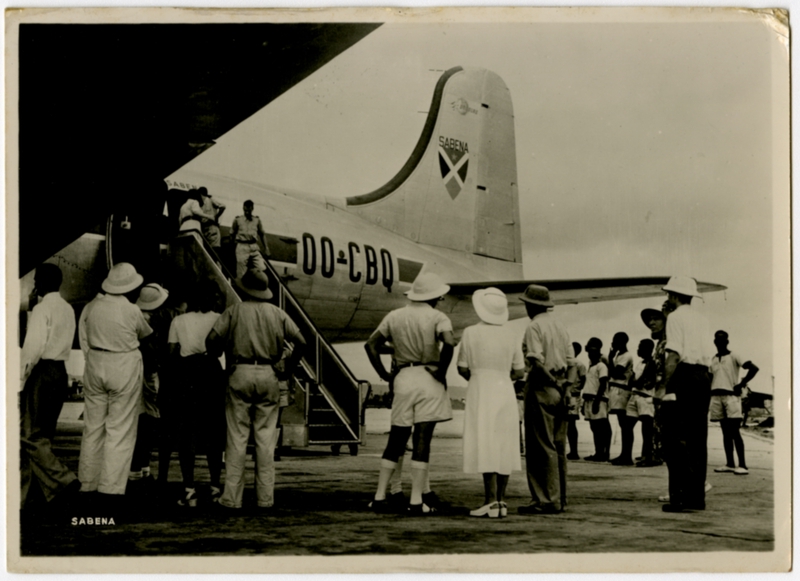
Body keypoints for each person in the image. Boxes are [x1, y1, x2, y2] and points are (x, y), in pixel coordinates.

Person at [206, 267, 306, 510]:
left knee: (237, 438)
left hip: (239, 372)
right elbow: (302, 342)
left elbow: (211, 340)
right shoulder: (277, 313)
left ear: (244, 289)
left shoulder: (234, 311)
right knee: (265, 439)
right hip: (268, 374)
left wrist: (219, 355)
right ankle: (265, 498)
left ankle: (231, 498)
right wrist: (286, 368)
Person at [364, 272, 454, 515]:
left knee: (396, 439)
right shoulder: (438, 316)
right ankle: (417, 500)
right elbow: (449, 343)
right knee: (422, 440)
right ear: (435, 297)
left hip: (403, 377)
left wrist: (385, 375)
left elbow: (370, 345)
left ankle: (380, 496)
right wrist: (442, 372)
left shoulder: (394, 316)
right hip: (429, 376)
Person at [78, 263, 151, 505]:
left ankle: (87, 484)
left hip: (95, 363)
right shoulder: (131, 310)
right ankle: (110, 490)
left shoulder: (92, 307)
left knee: (93, 427)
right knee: (119, 429)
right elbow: (146, 335)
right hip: (123, 365)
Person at [457, 288, 525, 518]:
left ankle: (489, 501)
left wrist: (478, 376)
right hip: (504, 388)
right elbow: (519, 371)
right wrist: (501, 377)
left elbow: (462, 367)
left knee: (486, 441)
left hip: (480, 388)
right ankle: (501, 501)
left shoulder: (470, 332)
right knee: (504, 443)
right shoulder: (512, 333)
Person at [20, 263, 80, 510]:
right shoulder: (67, 309)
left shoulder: (42, 309)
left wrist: (21, 379)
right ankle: (31, 494)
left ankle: (63, 479)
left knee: (30, 435)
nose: (34, 285)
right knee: (45, 434)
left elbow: (33, 348)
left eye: (36, 280)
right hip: (60, 371)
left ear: (43, 283)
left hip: (42, 371)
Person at [166, 281, 225, 506]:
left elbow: (171, 353)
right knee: (213, 433)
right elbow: (222, 349)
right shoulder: (219, 318)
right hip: (211, 371)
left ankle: (189, 489)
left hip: (187, 373)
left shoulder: (178, 320)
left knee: (187, 433)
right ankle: (214, 487)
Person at [518, 284, 574, 515]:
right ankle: (560, 497)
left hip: (543, 387)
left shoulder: (534, 326)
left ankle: (546, 499)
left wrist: (552, 382)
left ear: (531, 305)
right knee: (559, 445)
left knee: (541, 446)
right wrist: (566, 388)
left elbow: (537, 363)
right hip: (562, 389)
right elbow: (572, 362)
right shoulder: (560, 326)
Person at [659, 276, 712, 512]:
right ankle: (696, 498)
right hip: (703, 378)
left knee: (674, 439)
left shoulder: (675, 318)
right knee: (697, 439)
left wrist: (666, 386)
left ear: (673, 296)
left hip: (684, 376)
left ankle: (679, 498)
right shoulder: (702, 319)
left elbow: (673, 356)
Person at [129, 283, 180, 486]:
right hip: (149, 373)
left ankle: (139, 467)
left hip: (132, 371)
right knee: (149, 419)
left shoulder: (135, 314)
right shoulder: (154, 319)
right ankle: (140, 467)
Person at [710, 330, 759, 476]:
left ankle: (742, 465)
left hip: (731, 397)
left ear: (727, 341)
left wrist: (741, 383)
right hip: (716, 397)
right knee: (725, 432)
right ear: (714, 342)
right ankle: (730, 463)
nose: (720, 342)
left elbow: (754, 368)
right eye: (717, 340)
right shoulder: (712, 359)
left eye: (723, 339)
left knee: (734, 431)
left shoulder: (734, 355)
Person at [626, 339, 657, 466]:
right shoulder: (640, 363)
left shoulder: (652, 363)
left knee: (647, 430)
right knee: (627, 426)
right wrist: (634, 381)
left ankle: (647, 457)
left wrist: (634, 381)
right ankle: (626, 455)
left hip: (645, 398)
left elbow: (636, 382)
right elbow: (632, 382)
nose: (638, 349)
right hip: (635, 396)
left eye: (641, 347)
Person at [607, 332, 636, 466]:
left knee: (625, 425)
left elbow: (616, 373)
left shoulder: (626, 356)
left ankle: (626, 456)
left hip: (621, 390)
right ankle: (624, 454)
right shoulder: (619, 355)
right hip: (616, 389)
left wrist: (610, 358)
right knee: (623, 424)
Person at [581, 337, 611, 462]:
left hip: (598, 399)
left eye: (594, 352)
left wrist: (597, 402)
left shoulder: (601, 366)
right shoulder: (590, 366)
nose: (591, 354)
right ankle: (598, 452)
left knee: (601, 427)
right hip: (588, 399)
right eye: (589, 352)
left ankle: (603, 453)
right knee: (594, 427)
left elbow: (603, 384)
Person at [231, 200, 270, 278]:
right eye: (245, 210)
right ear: (243, 208)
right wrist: (233, 247)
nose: (247, 212)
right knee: (241, 273)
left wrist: (266, 248)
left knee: (262, 268)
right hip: (242, 246)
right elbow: (232, 234)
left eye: (249, 210)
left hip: (253, 247)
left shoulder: (257, 220)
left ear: (252, 209)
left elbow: (262, 234)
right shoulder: (238, 220)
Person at [566, 342, 587, 460]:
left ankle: (574, 451)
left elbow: (584, 379)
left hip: (573, 395)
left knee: (571, 424)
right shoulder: (578, 364)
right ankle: (573, 451)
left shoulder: (578, 364)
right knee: (569, 424)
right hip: (571, 394)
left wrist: (577, 389)